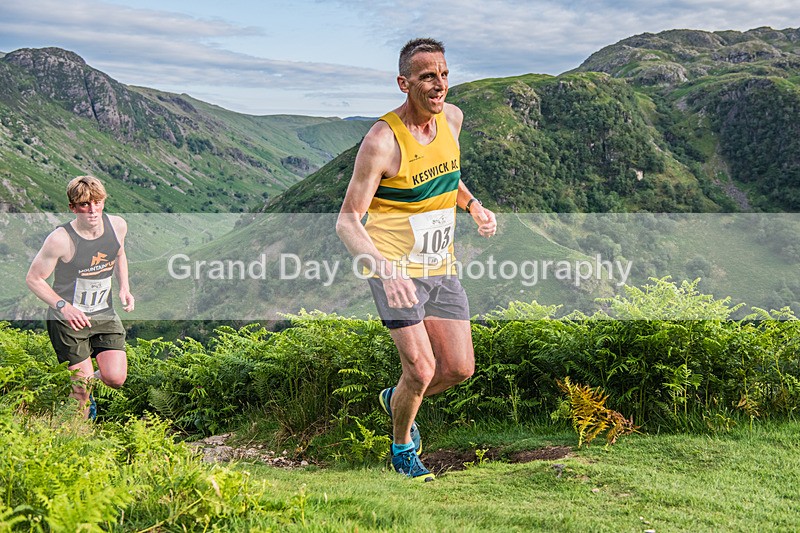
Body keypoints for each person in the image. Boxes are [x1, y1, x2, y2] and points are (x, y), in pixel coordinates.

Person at [336, 38, 497, 481]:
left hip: (440, 265)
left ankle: (396, 398)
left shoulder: (453, 119)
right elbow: (347, 222)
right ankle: (402, 446)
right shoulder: (382, 140)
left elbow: (448, 174)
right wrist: (386, 273)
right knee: (422, 368)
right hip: (394, 270)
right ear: (404, 83)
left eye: (444, 74)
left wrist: (472, 205)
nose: (439, 84)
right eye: (428, 76)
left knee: (459, 369)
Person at [26, 175, 134, 419]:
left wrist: (124, 288)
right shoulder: (60, 240)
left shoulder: (118, 226)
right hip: (69, 320)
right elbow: (33, 278)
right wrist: (64, 307)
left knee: (115, 378)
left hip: (103, 313)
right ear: (73, 207)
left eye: (97, 202)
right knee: (81, 390)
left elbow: (119, 254)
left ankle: (86, 383)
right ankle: (80, 438)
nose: (92, 210)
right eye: (84, 204)